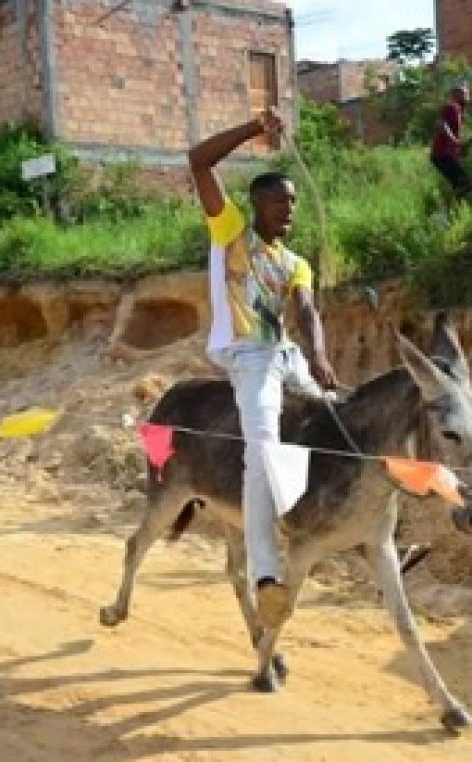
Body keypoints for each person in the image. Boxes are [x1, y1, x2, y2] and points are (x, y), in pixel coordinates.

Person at [188, 108, 340, 628]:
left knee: (343, 421)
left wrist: (318, 355)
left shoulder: (296, 262)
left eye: (294, 202)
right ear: (255, 204)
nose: (289, 208)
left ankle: (364, 531)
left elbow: (308, 311)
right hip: (249, 358)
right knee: (261, 450)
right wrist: (254, 130)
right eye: (279, 200)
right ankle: (266, 577)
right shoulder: (230, 231)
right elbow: (198, 161)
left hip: (287, 358)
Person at [430, 85, 472, 200]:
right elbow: (441, 124)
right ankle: (454, 210)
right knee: (464, 183)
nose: (468, 98)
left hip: (445, 155)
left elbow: (451, 138)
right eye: (465, 94)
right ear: (457, 96)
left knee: (459, 184)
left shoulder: (460, 113)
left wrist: (461, 150)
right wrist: (457, 142)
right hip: (441, 155)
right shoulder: (451, 107)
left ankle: (456, 211)